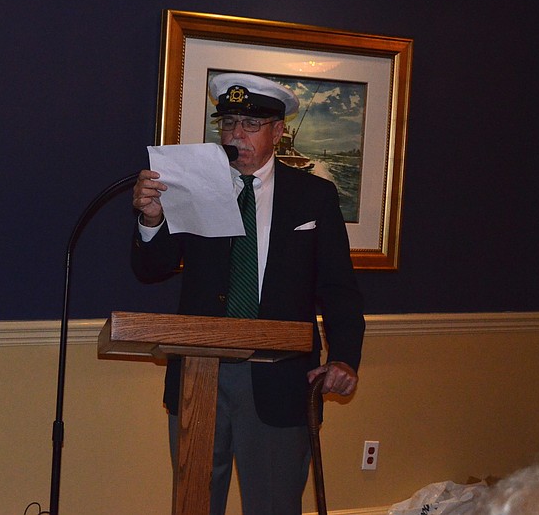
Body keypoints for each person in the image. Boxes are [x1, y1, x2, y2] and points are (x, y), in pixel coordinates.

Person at [131, 72, 365, 515]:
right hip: (200, 375)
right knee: (194, 504)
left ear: (278, 132)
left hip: (278, 378)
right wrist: (150, 218)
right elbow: (152, 268)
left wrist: (344, 356)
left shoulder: (313, 197)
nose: (236, 135)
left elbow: (338, 288)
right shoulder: (192, 184)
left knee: (274, 505)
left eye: (250, 126)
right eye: (228, 123)